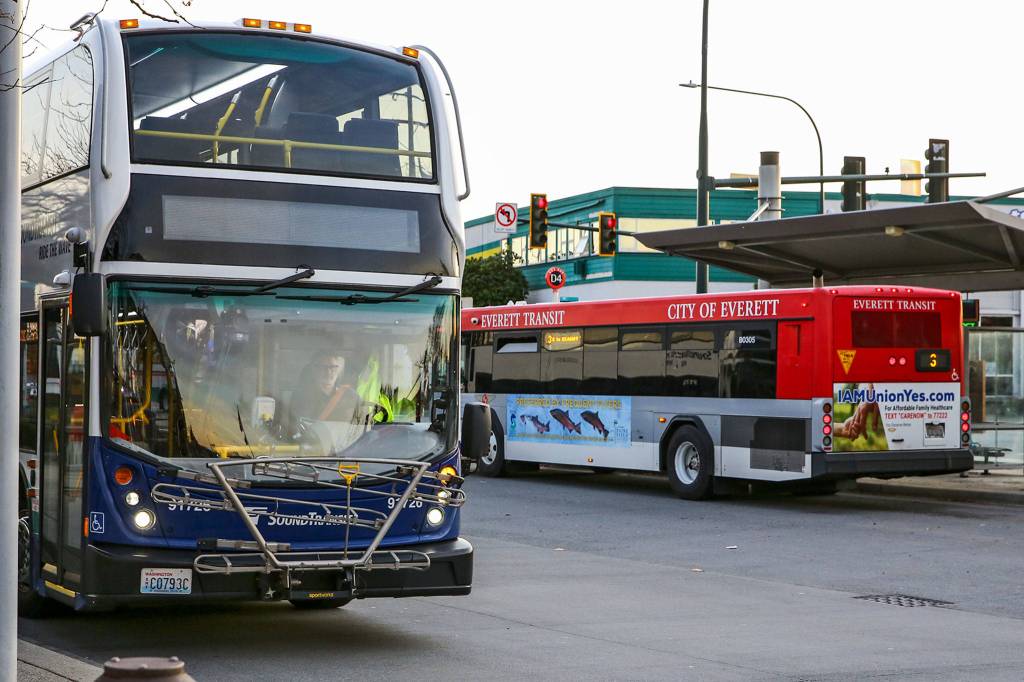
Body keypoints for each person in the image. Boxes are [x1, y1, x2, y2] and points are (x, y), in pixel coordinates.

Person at [289, 350, 361, 424]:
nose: (329, 372)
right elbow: (295, 425)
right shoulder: (301, 396)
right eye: (324, 367)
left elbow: (361, 422)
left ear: (338, 371)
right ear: (314, 370)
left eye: (333, 367)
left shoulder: (350, 396)